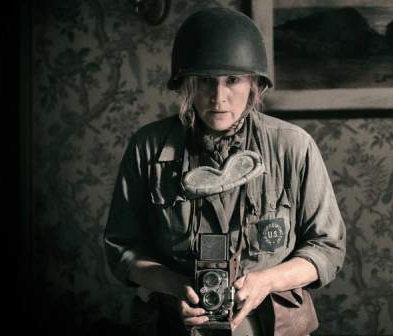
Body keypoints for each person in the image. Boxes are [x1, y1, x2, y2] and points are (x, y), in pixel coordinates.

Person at [104, 7, 346, 336]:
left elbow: (327, 246)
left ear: (254, 84)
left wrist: (266, 282)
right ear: (187, 83)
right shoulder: (148, 148)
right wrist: (178, 287)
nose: (218, 98)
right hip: (175, 326)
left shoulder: (293, 147)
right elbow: (122, 248)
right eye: (205, 81)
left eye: (232, 80)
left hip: (275, 327)